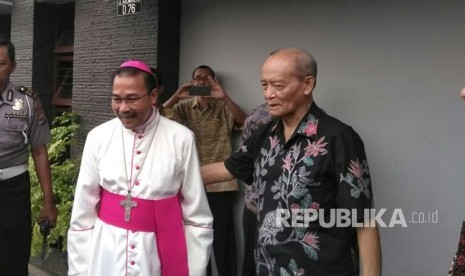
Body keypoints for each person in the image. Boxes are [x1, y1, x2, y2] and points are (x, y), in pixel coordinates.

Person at [201, 48, 382, 275]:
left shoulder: (338, 137)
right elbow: (225, 170)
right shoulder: (263, 135)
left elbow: (363, 219)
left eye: (278, 86)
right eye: (264, 85)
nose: (268, 94)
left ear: (307, 84)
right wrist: (165, 175)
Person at [67, 60, 213, 276]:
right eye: (116, 99)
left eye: (132, 99)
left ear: (153, 96)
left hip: (159, 253)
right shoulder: (98, 137)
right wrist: (79, 271)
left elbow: (197, 218)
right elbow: (82, 216)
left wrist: (194, 270)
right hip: (106, 253)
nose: (123, 108)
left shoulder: (181, 138)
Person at [163, 65, 246, 276]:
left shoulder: (222, 106)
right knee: (196, 239)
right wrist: (176, 96)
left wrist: (224, 96)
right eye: (197, 78)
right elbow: (155, 117)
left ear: (213, 81)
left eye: (206, 78)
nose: (201, 82)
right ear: (191, 82)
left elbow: (244, 121)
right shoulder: (182, 108)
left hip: (221, 183)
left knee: (223, 239)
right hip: (191, 183)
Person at [0, 39, 58, 275]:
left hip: (13, 190)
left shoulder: (27, 102)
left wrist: (48, 202)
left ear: (13, 65)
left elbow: (39, 151)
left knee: (13, 259)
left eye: (0, 63)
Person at [238, 103, 272, 276]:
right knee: (252, 260)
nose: (272, 92)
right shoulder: (256, 117)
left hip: (291, 211)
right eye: (266, 85)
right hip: (255, 205)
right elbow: (243, 160)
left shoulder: (314, 124)